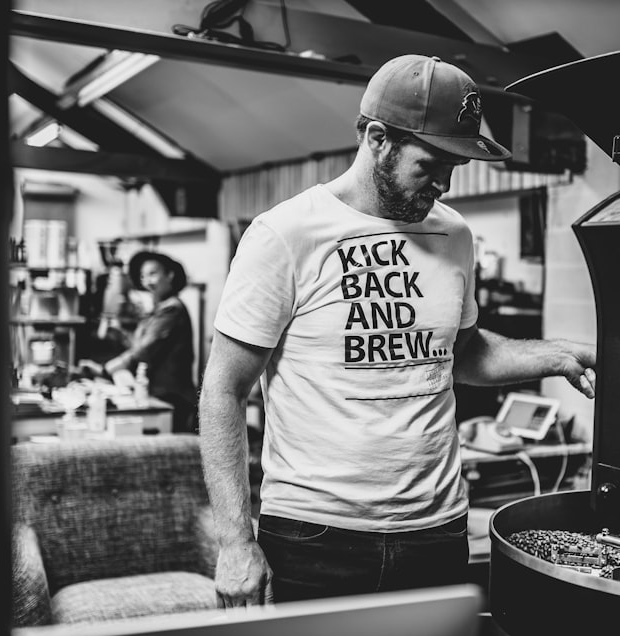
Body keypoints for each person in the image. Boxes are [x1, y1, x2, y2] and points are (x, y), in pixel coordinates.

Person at [198, 54, 597, 607]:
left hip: (437, 529)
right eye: (430, 165)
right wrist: (235, 540)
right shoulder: (285, 235)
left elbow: (459, 354)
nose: (444, 185)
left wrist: (558, 355)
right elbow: (223, 390)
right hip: (315, 535)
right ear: (378, 139)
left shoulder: (453, 234)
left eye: (454, 168)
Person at [103, 250, 198, 433]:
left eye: (153, 274)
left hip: (171, 398)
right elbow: (139, 345)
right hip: (157, 395)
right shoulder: (157, 310)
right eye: (143, 276)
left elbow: (144, 350)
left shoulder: (172, 309)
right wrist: (120, 332)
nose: (147, 281)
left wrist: (107, 369)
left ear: (169, 275)